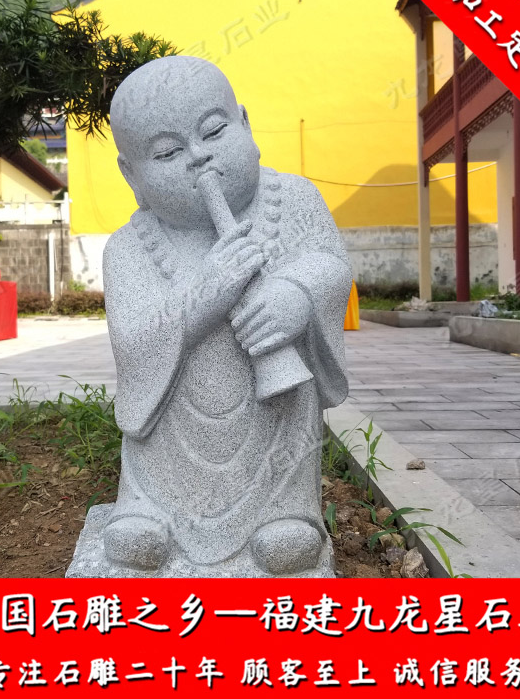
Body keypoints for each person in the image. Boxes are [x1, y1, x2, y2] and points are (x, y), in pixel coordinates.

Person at [90, 56, 352, 576]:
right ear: (131, 175)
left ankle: (286, 510)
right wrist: (203, 296)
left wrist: (296, 296)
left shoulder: (293, 199)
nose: (199, 156)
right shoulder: (128, 247)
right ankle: (147, 509)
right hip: (173, 433)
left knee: (287, 413)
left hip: (274, 409)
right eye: (168, 152)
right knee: (154, 455)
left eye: (213, 131)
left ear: (246, 124)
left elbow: (329, 265)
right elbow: (134, 343)